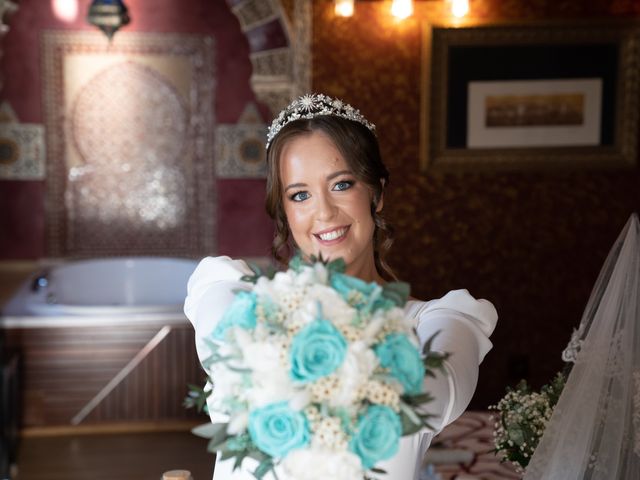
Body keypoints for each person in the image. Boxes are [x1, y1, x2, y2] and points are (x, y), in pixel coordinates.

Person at [184, 93, 498, 480]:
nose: (324, 212)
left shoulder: (440, 325)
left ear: (377, 194)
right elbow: (216, 312)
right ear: (285, 212)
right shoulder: (238, 300)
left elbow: (436, 388)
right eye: (300, 195)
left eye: (341, 184)